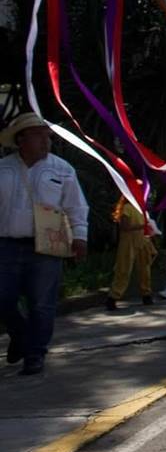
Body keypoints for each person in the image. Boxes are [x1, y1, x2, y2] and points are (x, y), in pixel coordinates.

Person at [0, 113, 89, 376]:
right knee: (3, 299)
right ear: (21, 139)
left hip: (47, 247)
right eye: (38, 135)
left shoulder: (62, 169)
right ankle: (21, 336)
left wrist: (80, 236)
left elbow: (76, 206)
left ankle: (35, 353)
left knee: (42, 303)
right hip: (6, 245)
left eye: (46, 135)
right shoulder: (3, 169)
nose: (45, 140)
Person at [108, 194, 157, 307]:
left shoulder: (142, 209)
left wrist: (151, 234)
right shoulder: (126, 208)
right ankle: (113, 297)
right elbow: (124, 227)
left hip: (143, 241)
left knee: (145, 269)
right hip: (128, 242)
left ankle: (146, 295)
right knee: (123, 269)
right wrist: (142, 226)